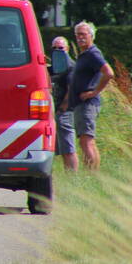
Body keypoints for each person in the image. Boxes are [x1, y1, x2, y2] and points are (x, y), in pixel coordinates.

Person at [63, 21, 114, 170]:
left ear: (91, 35)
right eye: (77, 35)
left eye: (83, 34)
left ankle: (92, 175)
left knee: (87, 141)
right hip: (80, 104)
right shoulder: (84, 54)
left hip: (88, 104)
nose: (80, 38)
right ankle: (92, 173)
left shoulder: (93, 53)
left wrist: (95, 92)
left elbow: (109, 73)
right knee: (85, 140)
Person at [49, 36, 77, 171]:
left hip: (64, 111)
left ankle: (73, 177)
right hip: (53, 112)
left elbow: (72, 89)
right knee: (55, 148)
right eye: (54, 48)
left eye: (61, 48)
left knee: (68, 147)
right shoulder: (53, 67)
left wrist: (63, 108)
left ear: (67, 49)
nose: (57, 51)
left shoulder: (70, 67)